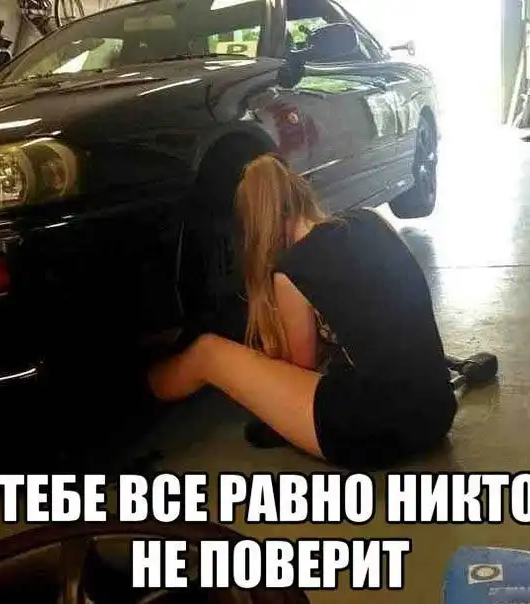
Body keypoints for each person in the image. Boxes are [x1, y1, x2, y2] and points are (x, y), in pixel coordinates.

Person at [148, 154, 458, 470]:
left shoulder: (292, 270)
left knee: (207, 353)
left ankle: (139, 393)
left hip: (375, 430)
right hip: (436, 411)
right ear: (298, 192)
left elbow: (301, 370)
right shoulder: (369, 220)